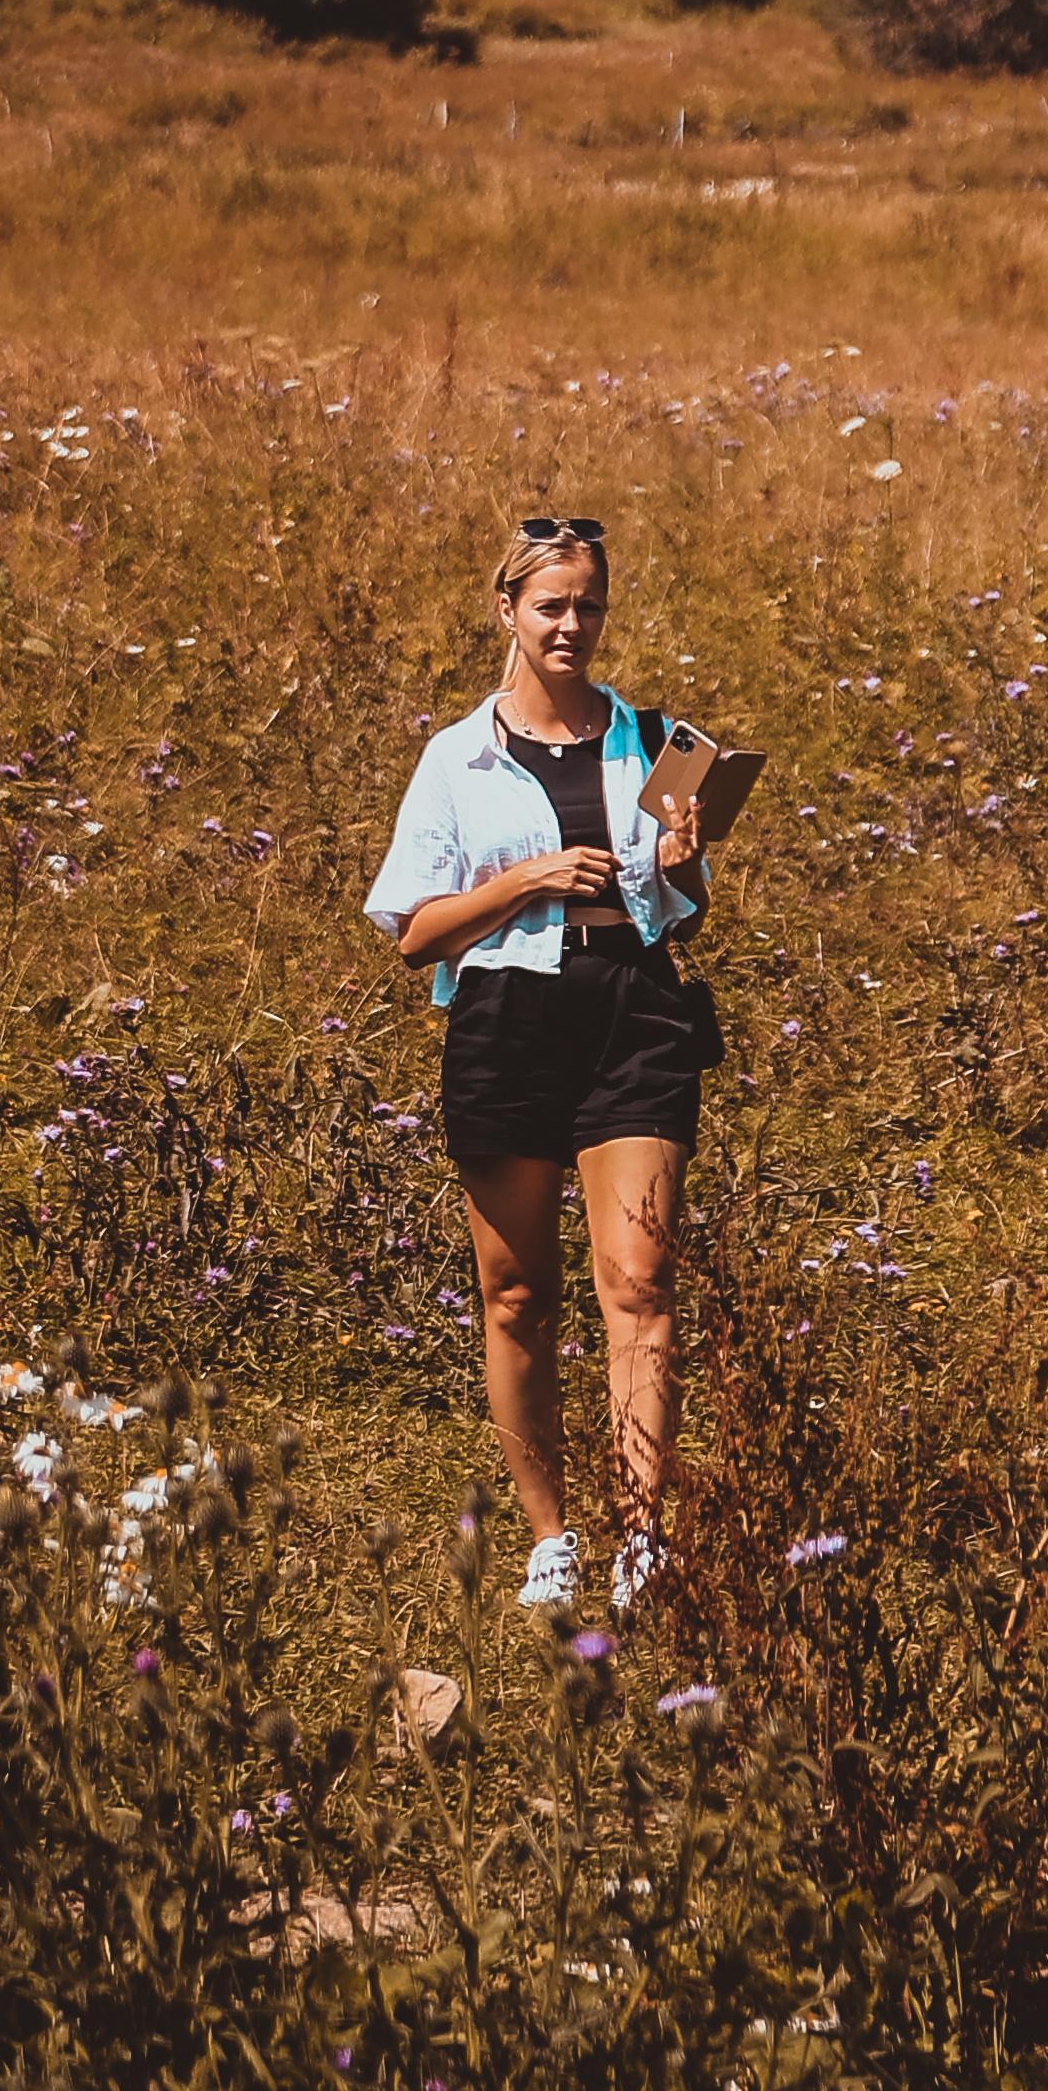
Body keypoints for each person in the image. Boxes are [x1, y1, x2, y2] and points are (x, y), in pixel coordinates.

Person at [367, 512, 716, 1615]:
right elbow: (416, 933)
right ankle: (550, 1538)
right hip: (507, 1015)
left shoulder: (657, 740)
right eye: (551, 605)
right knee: (516, 1294)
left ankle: (643, 1540)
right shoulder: (456, 757)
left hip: (634, 1012)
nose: (572, 625)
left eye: (589, 606)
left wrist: (679, 865)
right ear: (508, 613)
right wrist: (526, 881)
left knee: (640, 1284)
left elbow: (682, 914)